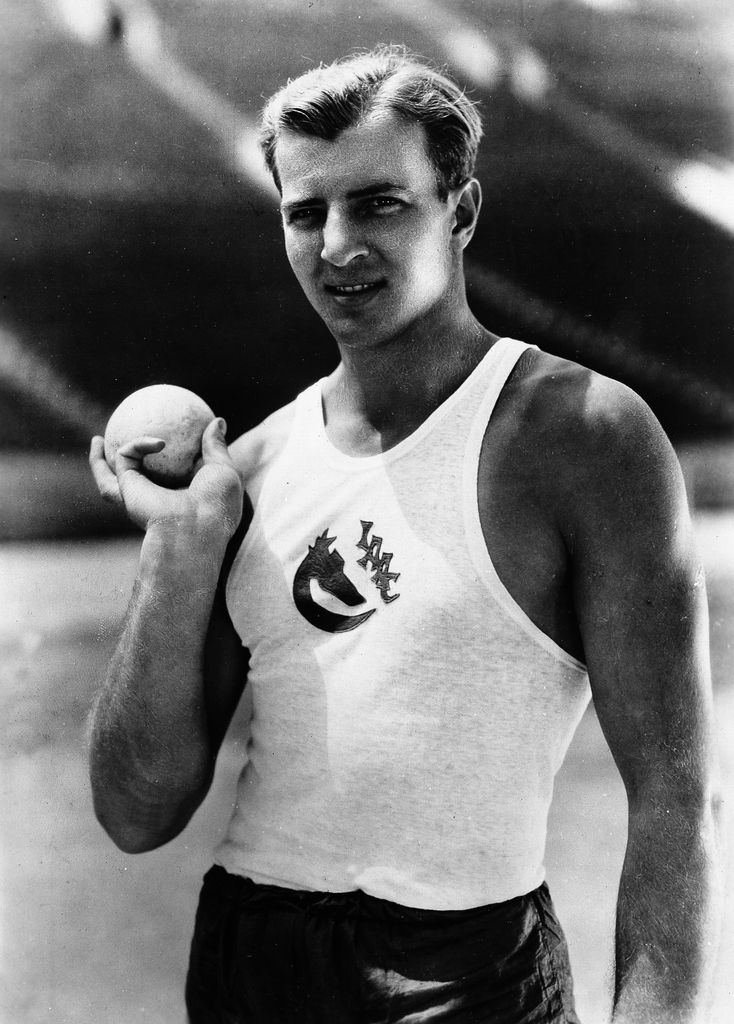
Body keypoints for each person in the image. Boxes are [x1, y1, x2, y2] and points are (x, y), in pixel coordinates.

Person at [88, 46, 722, 1024]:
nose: (337, 245)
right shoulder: (250, 471)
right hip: (250, 957)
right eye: (306, 212)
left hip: (463, 970)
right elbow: (135, 811)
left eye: (379, 204)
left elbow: (677, 807)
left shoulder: (585, 438)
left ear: (459, 212)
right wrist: (178, 548)